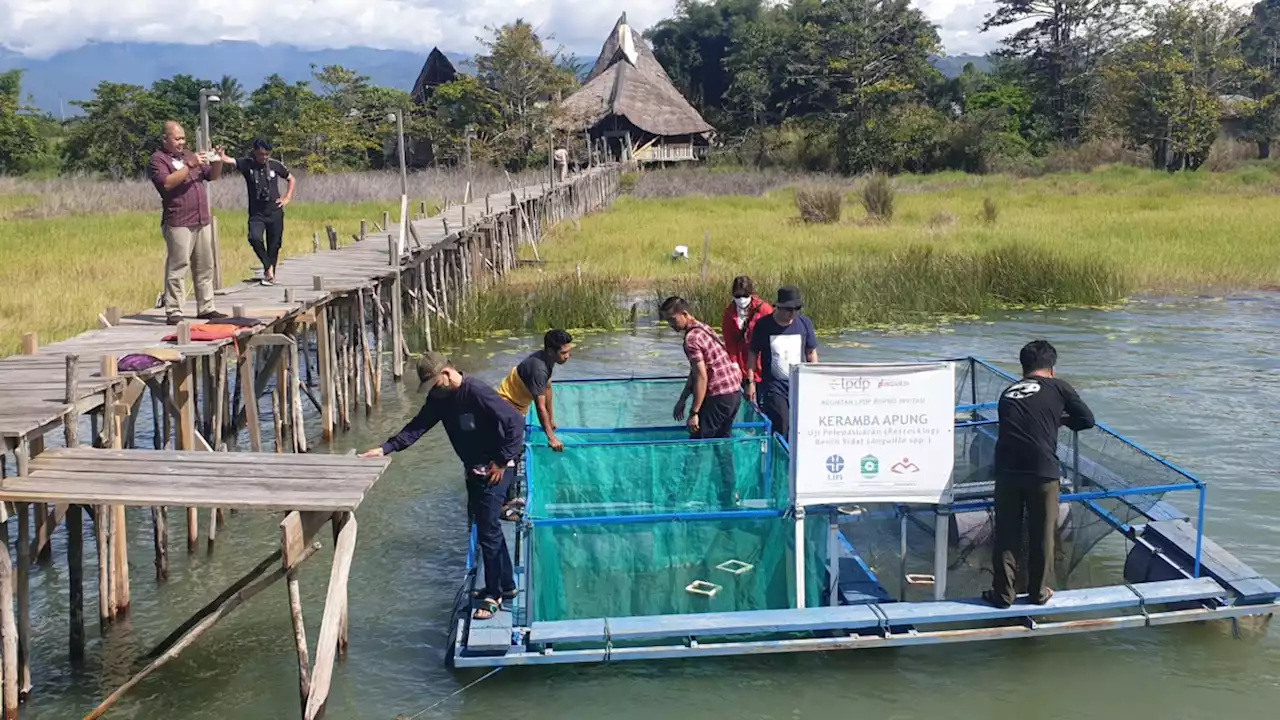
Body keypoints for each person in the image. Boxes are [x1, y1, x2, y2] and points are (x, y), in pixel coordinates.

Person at [359, 352, 525, 620]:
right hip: (474, 470)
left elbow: (515, 422)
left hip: (496, 469)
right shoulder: (440, 398)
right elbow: (418, 426)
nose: (433, 389)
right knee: (487, 527)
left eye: (435, 382)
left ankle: (493, 595)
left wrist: (502, 461)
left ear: (447, 373)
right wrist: (385, 448)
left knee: (488, 529)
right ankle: (507, 585)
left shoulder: (477, 392)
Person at [983, 340, 1095, 609]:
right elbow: (1087, 420)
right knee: (1042, 532)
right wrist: (1061, 419)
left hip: (1007, 470)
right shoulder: (1059, 386)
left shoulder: (1008, 391)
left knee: (1006, 533)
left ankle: (1003, 595)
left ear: (1023, 368)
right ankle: (1038, 592)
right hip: (1042, 470)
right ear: (1052, 368)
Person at [148, 121, 229, 325]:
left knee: (205, 265)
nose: (181, 142)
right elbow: (167, 183)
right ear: (165, 139)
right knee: (178, 265)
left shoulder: (188, 155)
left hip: (201, 219)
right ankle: (174, 310)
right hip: (179, 221)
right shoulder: (158, 160)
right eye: (177, 139)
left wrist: (218, 159)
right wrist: (190, 165)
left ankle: (206, 307)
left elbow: (212, 176)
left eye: (183, 138)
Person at [661, 296, 743, 440]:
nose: (670, 324)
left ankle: (692, 464)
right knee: (722, 442)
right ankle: (725, 464)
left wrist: (694, 413)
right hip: (734, 393)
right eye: (668, 321)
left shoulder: (691, 339)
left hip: (719, 396)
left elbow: (701, 377)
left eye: (673, 319)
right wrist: (683, 399)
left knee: (697, 444)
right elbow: (695, 372)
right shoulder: (703, 327)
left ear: (685, 314)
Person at [746, 285, 818, 439]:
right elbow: (753, 353)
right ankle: (781, 457)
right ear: (778, 306)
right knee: (782, 422)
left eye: (796, 309)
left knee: (800, 425)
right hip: (774, 386)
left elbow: (811, 353)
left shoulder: (804, 323)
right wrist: (750, 382)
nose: (792, 313)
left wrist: (814, 379)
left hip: (799, 384)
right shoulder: (764, 325)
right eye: (788, 309)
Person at [220, 139, 295, 286]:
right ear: (255, 152)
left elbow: (291, 179)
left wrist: (287, 197)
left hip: (274, 211)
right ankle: (268, 266)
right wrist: (221, 156)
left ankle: (270, 276)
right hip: (257, 213)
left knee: (274, 245)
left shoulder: (275, 165)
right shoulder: (248, 164)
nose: (264, 157)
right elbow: (229, 160)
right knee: (254, 238)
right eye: (261, 154)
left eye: (267, 154)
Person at [496, 329, 573, 452]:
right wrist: (551, 438)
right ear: (550, 351)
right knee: (509, 450)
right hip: (507, 407)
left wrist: (551, 418)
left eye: (569, 351)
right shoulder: (538, 370)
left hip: (519, 405)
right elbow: (540, 407)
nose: (567, 356)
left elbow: (547, 387)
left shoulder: (548, 359)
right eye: (563, 353)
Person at [720, 275, 773, 391]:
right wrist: (734, 364)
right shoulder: (729, 313)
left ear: (751, 293)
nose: (741, 299)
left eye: (745, 295)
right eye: (738, 296)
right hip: (741, 364)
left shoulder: (764, 309)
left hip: (762, 363)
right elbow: (730, 342)